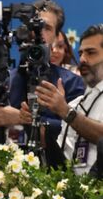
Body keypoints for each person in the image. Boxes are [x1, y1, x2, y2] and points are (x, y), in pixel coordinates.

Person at [0, 0, 84, 138]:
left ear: (57, 36)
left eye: (47, 28)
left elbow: (77, 131)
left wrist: (23, 119)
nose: (38, 33)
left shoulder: (72, 83)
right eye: (33, 26)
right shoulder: (3, 80)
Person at [38, 24, 103, 175]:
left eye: (91, 53)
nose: (82, 59)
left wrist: (65, 111)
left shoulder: (69, 109)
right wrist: (35, 127)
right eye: (80, 53)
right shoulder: (75, 104)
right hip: (71, 194)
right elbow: (61, 157)